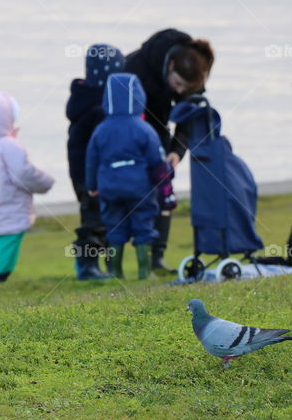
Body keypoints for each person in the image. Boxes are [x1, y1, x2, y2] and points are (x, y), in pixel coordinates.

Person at [125, 29, 215, 273]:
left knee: (164, 192)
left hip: (160, 133)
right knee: (124, 196)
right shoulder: (135, 68)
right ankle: (112, 262)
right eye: (176, 84)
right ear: (171, 65)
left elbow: (186, 116)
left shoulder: (193, 75)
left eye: (183, 89)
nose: (178, 91)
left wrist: (177, 150)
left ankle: (157, 258)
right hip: (131, 134)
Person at [85, 73, 169, 279]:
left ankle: (115, 272)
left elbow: (91, 160)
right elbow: (156, 160)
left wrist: (92, 185)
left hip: (110, 186)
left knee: (114, 226)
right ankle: (144, 271)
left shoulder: (101, 130)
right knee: (143, 224)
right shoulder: (144, 129)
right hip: (139, 187)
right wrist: (164, 183)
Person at [0, 92, 55, 283]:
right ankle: (1, 276)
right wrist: (45, 182)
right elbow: (23, 173)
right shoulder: (10, 146)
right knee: (8, 239)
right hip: (10, 204)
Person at [66, 43, 125, 280]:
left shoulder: (86, 99)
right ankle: (87, 265)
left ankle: (107, 265)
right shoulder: (98, 108)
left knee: (105, 218)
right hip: (90, 175)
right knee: (94, 220)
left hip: (88, 173)